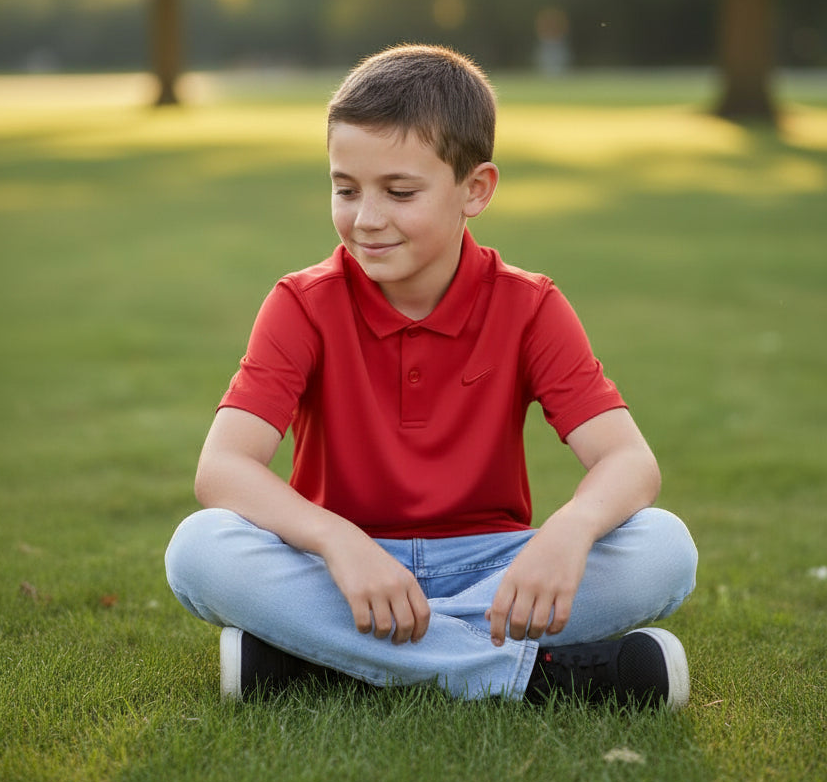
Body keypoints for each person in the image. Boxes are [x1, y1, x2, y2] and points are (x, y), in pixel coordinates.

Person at [165, 44, 697, 707]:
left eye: (399, 191)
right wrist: (339, 541)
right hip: (341, 570)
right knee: (200, 548)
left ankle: (327, 658)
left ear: (475, 190)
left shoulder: (529, 306)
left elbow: (629, 461)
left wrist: (570, 530)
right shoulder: (301, 303)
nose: (366, 219)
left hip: (492, 567)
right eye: (345, 188)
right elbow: (221, 470)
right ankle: (535, 676)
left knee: (664, 547)